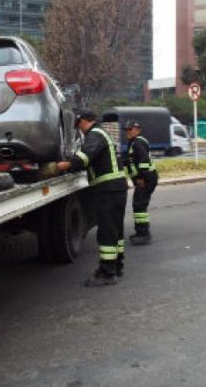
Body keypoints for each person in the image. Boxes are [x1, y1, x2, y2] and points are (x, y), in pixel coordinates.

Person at [40, 109, 127, 287]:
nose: (79, 128)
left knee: (106, 231)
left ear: (85, 121)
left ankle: (107, 273)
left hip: (108, 190)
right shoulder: (103, 134)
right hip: (116, 188)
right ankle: (117, 265)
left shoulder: (95, 135)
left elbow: (83, 159)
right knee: (115, 229)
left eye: (79, 124)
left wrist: (58, 167)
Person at [123, 119, 158, 245]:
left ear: (137, 130)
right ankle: (141, 232)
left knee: (139, 204)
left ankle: (144, 234)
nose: (127, 132)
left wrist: (141, 178)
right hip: (144, 178)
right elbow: (130, 161)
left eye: (130, 129)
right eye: (126, 130)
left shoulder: (138, 143)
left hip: (146, 178)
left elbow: (143, 161)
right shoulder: (133, 142)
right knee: (138, 204)